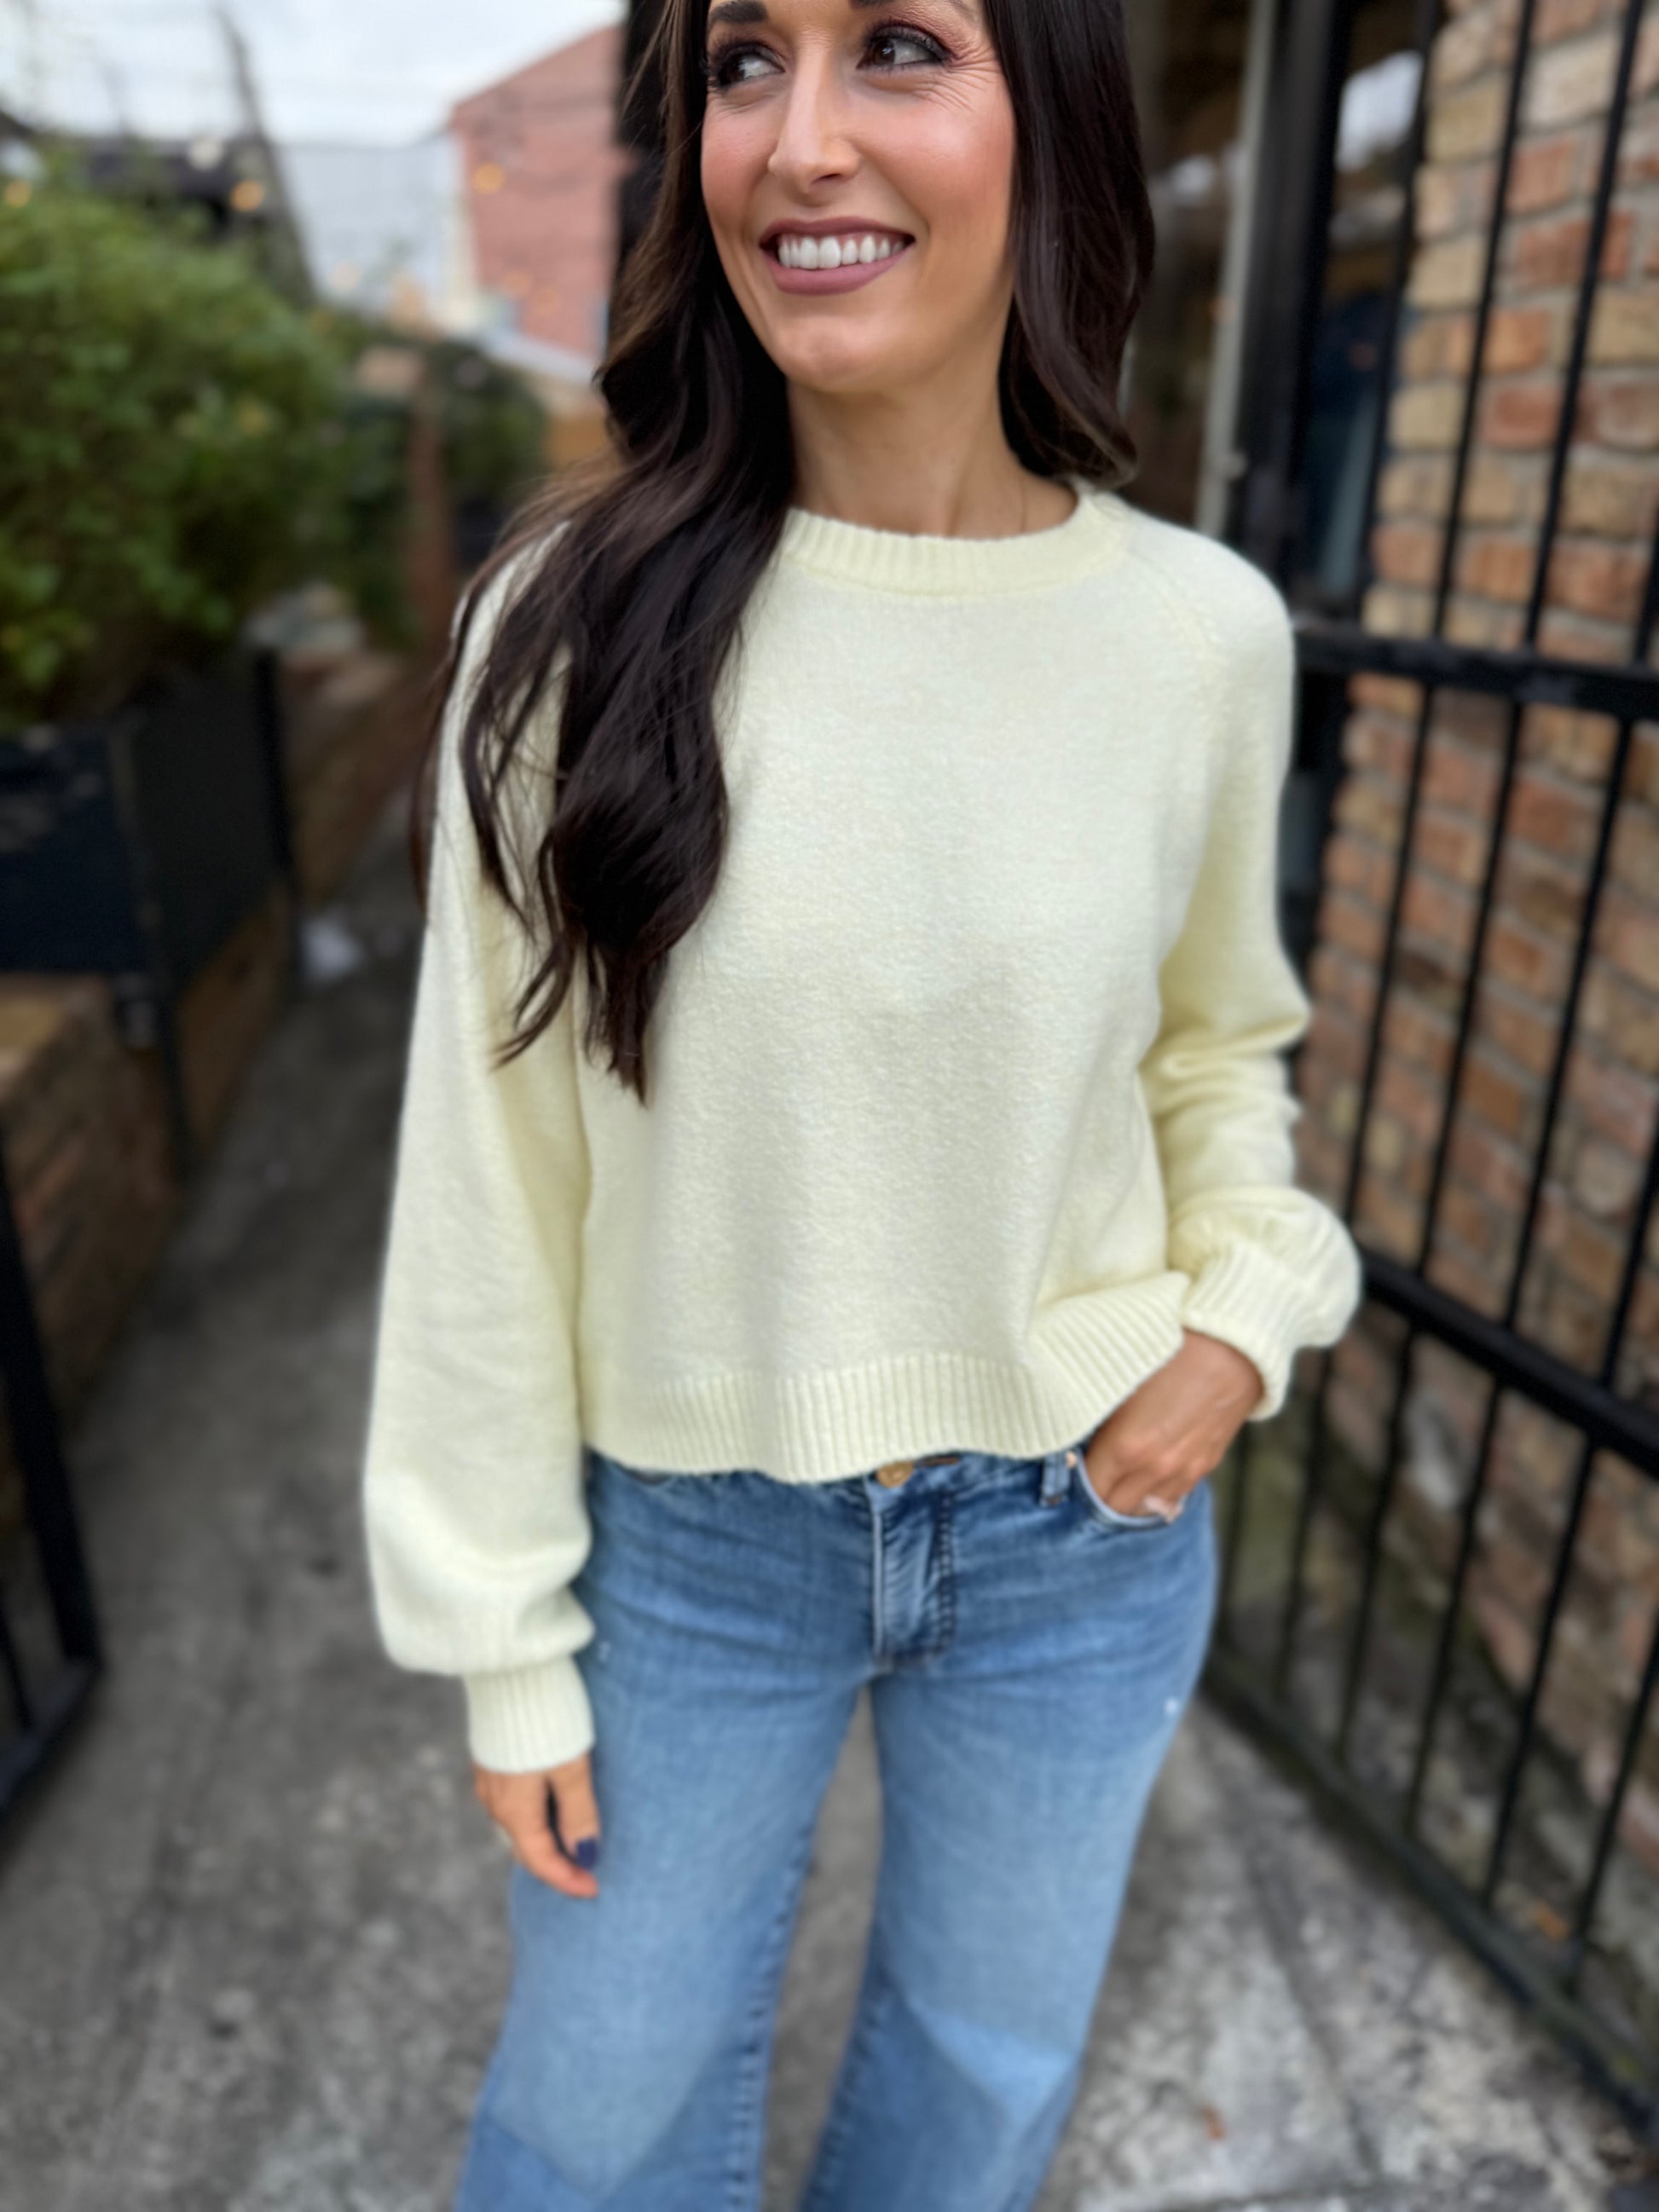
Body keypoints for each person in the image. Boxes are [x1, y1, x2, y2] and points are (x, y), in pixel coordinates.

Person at [360, 0, 1364, 2203]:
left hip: (1082, 1527)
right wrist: (498, 1632)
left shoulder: (1196, 634)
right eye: (744, 63)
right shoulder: (565, 627)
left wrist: (1239, 1317)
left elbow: (1215, 1044)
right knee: (597, 2111)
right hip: (693, 1540)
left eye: (894, 48)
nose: (797, 139)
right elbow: (488, 1165)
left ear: (1053, 126)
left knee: (983, 2079)